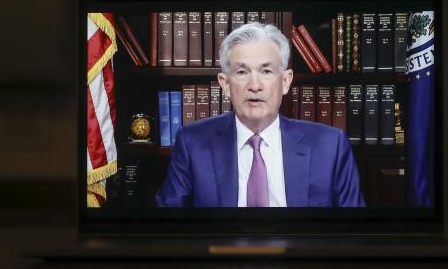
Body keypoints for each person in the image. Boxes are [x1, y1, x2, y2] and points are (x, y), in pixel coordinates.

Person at [155, 23, 365, 207]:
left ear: (285, 81)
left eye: (266, 71)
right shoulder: (192, 142)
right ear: (225, 84)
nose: (255, 86)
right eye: (242, 72)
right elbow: (168, 230)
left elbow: (352, 232)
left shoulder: (331, 145)